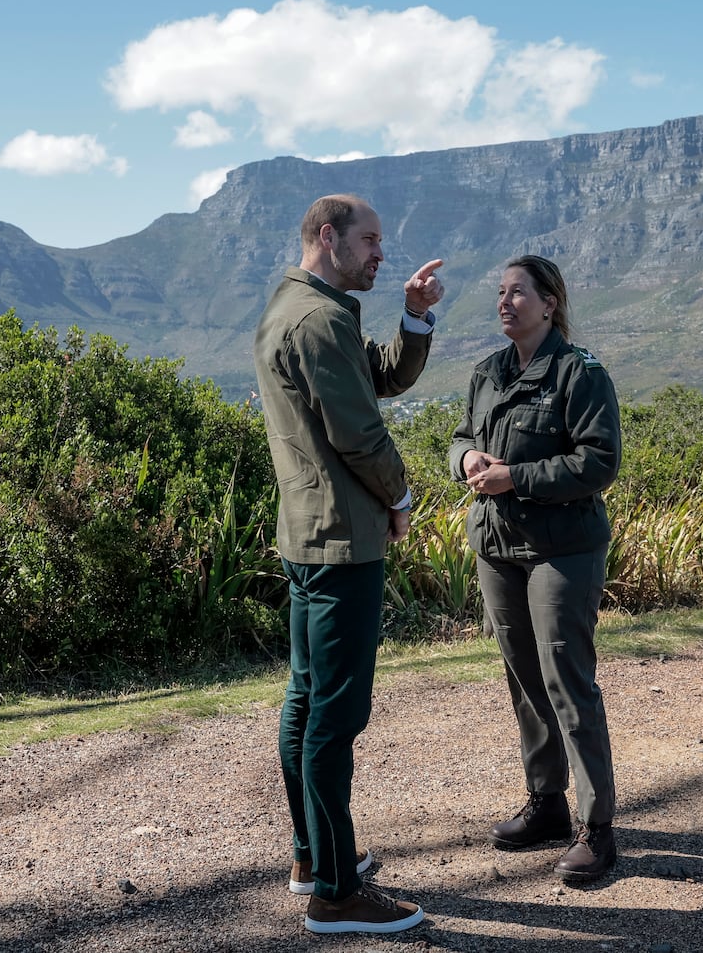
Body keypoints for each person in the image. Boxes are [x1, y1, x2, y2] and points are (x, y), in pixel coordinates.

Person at [253, 193, 445, 934]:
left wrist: (415, 317)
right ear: (328, 238)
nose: (380, 253)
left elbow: (379, 378)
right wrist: (400, 495)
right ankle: (336, 891)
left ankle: (312, 857)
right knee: (336, 714)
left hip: (308, 537)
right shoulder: (320, 318)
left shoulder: (295, 307)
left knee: (306, 699)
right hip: (342, 541)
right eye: (370, 240)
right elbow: (360, 431)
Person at [448, 254, 622, 882]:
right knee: (524, 680)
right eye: (500, 291)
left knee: (567, 681)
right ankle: (547, 804)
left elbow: (599, 462)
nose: (504, 301)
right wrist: (466, 460)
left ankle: (596, 827)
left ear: (550, 303)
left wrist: (515, 476)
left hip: (561, 551)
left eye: (517, 292)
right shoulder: (488, 371)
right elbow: (461, 434)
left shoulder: (579, 373)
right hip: (497, 548)